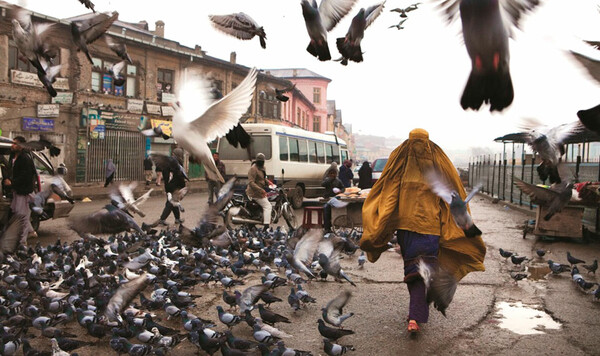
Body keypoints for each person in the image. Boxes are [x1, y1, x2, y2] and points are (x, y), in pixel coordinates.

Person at [359, 128, 486, 334]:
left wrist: (382, 221)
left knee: (416, 271)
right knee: (420, 270)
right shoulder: (437, 163)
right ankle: (417, 312)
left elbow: (387, 196)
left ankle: (415, 316)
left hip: (409, 230)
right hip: (429, 230)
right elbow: (453, 197)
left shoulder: (399, 164)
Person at [4, 136, 38, 243]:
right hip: (17, 191)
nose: (12, 145)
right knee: (20, 214)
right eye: (12, 143)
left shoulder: (25, 159)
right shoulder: (13, 157)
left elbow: (26, 176)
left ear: (22, 146)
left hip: (23, 192)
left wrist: (12, 182)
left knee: (21, 217)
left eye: (15, 144)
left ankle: (22, 242)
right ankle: (31, 232)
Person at [155, 148, 188, 226]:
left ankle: (177, 219)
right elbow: (175, 175)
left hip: (171, 185)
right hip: (173, 186)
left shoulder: (173, 162)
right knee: (171, 203)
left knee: (174, 202)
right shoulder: (174, 163)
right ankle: (162, 219)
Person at [246, 153, 271, 231]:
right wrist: (261, 190)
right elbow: (251, 182)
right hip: (254, 193)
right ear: (257, 161)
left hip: (260, 192)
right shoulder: (253, 169)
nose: (262, 163)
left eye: (262, 161)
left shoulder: (263, 168)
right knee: (268, 206)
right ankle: (266, 225)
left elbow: (263, 178)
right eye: (260, 161)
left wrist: (269, 182)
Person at [322, 163, 345, 233]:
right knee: (326, 209)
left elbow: (343, 188)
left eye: (334, 174)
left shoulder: (338, 181)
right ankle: (327, 228)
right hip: (328, 199)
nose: (332, 175)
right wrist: (329, 180)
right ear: (329, 174)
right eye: (331, 174)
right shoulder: (327, 180)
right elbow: (322, 184)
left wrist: (340, 191)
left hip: (336, 199)